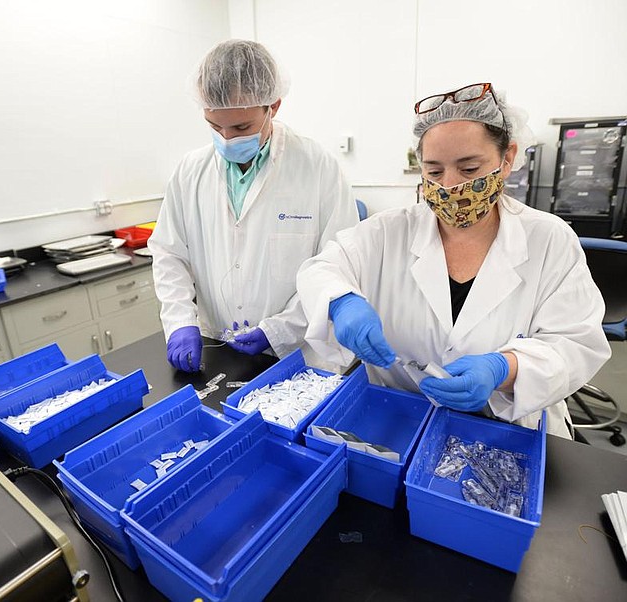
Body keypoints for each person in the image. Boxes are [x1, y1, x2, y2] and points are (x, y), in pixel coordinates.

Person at [296, 82, 611, 438]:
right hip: (400, 421)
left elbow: (576, 344)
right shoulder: (388, 231)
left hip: (507, 429)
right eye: (433, 171)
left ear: (507, 159)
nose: (449, 186)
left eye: (469, 169)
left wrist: (504, 368)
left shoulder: (549, 239)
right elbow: (321, 269)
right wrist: (342, 302)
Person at [149, 39, 356, 372]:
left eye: (241, 127)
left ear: (273, 106)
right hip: (218, 348)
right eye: (215, 126)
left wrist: (280, 329)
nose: (227, 138)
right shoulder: (190, 171)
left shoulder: (317, 167)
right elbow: (169, 253)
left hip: (300, 354)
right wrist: (179, 320)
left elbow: (337, 264)